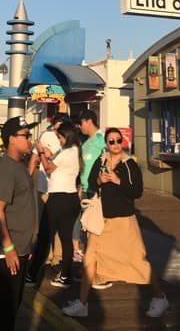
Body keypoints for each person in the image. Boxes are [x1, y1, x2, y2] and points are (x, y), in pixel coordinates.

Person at [62, 127, 169, 319]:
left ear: (123, 142)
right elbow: (93, 184)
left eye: (118, 141)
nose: (115, 145)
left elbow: (136, 191)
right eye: (111, 141)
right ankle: (82, 303)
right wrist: (100, 180)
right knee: (89, 258)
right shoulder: (101, 160)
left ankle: (159, 297)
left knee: (138, 261)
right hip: (102, 219)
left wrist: (118, 181)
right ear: (107, 144)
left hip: (123, 221)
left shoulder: (129, 164)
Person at [0, 116, 37, 331]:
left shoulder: (18, 166)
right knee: (5, 309)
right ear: (12, 140)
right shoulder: (7, 167)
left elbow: (21, 197)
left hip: (20, 247)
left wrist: (28, 244)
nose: (29, 139)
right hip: (8, 249)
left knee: (10, 305)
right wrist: (9, 248)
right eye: (25, 136)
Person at [27, 121, 82, 289]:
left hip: (58, 198)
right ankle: (65, 275)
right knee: (65, 238)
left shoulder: (67, 152)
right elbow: (56, 164)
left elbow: (48, 168)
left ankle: (31, 274)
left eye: (60, 137)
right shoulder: (75, 152)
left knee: (44, 236)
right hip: (71, 198)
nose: (59, 140)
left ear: (67, 136)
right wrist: (48, 154)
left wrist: (41, 150)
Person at [74, 110, 105, 263]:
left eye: (81, 123)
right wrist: (80, 187)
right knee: (84, 228)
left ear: (88, 121)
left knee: (94, 230)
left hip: (96, 192)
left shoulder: (101, 139)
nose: (80, 127)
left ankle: (94, 265)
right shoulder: (86, 142)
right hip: (84, 191)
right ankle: (87, 264)